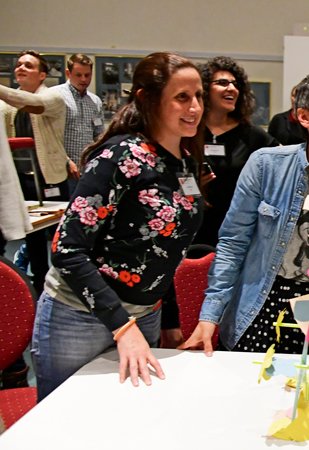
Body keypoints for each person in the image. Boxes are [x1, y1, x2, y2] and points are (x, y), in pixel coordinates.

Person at [31, 53, 205, 400]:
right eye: (182, 97)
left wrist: (169, 321)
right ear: (147, 99)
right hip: (82, 318)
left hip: (145, 318)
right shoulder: (120, 156)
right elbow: (67, 250)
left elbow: (167, 248)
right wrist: (122, 327)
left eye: (199, 96)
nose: (196, 107)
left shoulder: (183, 162)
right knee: (66, 427)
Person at [180, 69, 309, 356]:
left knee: (308, 395)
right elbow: (233, 243)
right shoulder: (266, 165)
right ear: (304, 116)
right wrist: (209, 315)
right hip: (259, 302)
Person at [0, 50, 71, 296]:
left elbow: (33, 105)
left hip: (48, 179)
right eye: (18, 65)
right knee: (31, 238)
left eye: (28, 66)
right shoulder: (7, 106)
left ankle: (59, 287)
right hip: (21, 180)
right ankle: (35, 287)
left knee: (58, 237)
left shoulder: (52, 96)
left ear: (42, 75)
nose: (21, 68)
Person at [192, 56, 279, 247]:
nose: (231, 88)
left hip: (236, 233)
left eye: (235, 84)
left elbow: (283, 169)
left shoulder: (253, 136)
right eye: (222, 83)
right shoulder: (188, 131)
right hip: (191, 229)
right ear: (204, 89)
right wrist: (191, 184)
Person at [51, 54, 105, 195]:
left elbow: (99, 137)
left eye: (87, 75)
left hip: (88, 171)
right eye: (78, 74)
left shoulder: (95, 101)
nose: (83, 79)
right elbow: (50, 136)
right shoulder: (55, 96)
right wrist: (66, 161)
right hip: (63, 170)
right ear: (68, 73)